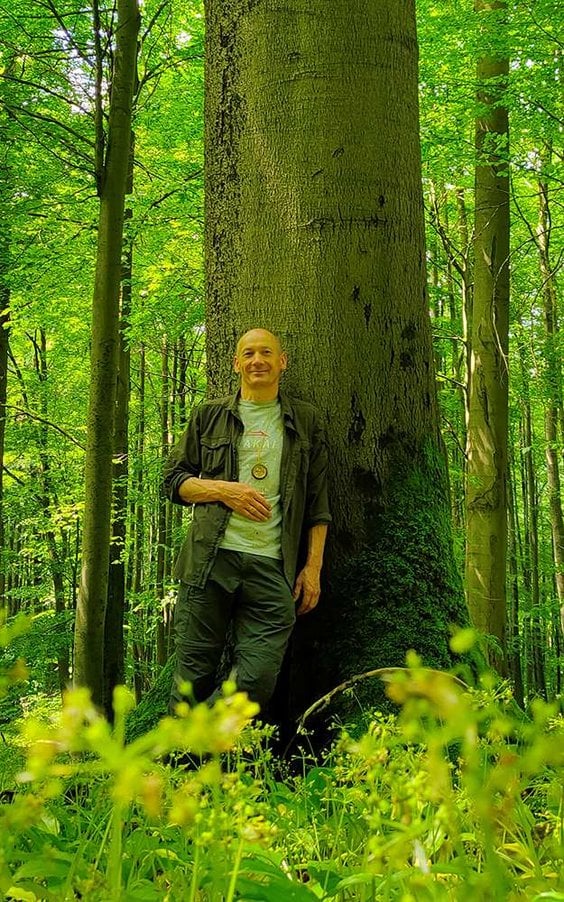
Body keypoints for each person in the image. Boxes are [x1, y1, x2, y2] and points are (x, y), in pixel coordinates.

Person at [164, 328, 330, 713]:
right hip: (209, 562)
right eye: (249, 354)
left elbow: (318, 504)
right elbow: (173, 482)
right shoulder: (209, 415)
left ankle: (190, 737)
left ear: (282, 362)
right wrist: (224, 491)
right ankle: (182, 768)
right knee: (191, 676)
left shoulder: (305, 421)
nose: (258, 361)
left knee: (256, 679)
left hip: (273, 567)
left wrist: (313, 568)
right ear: (237, 363)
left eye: (267, 353)